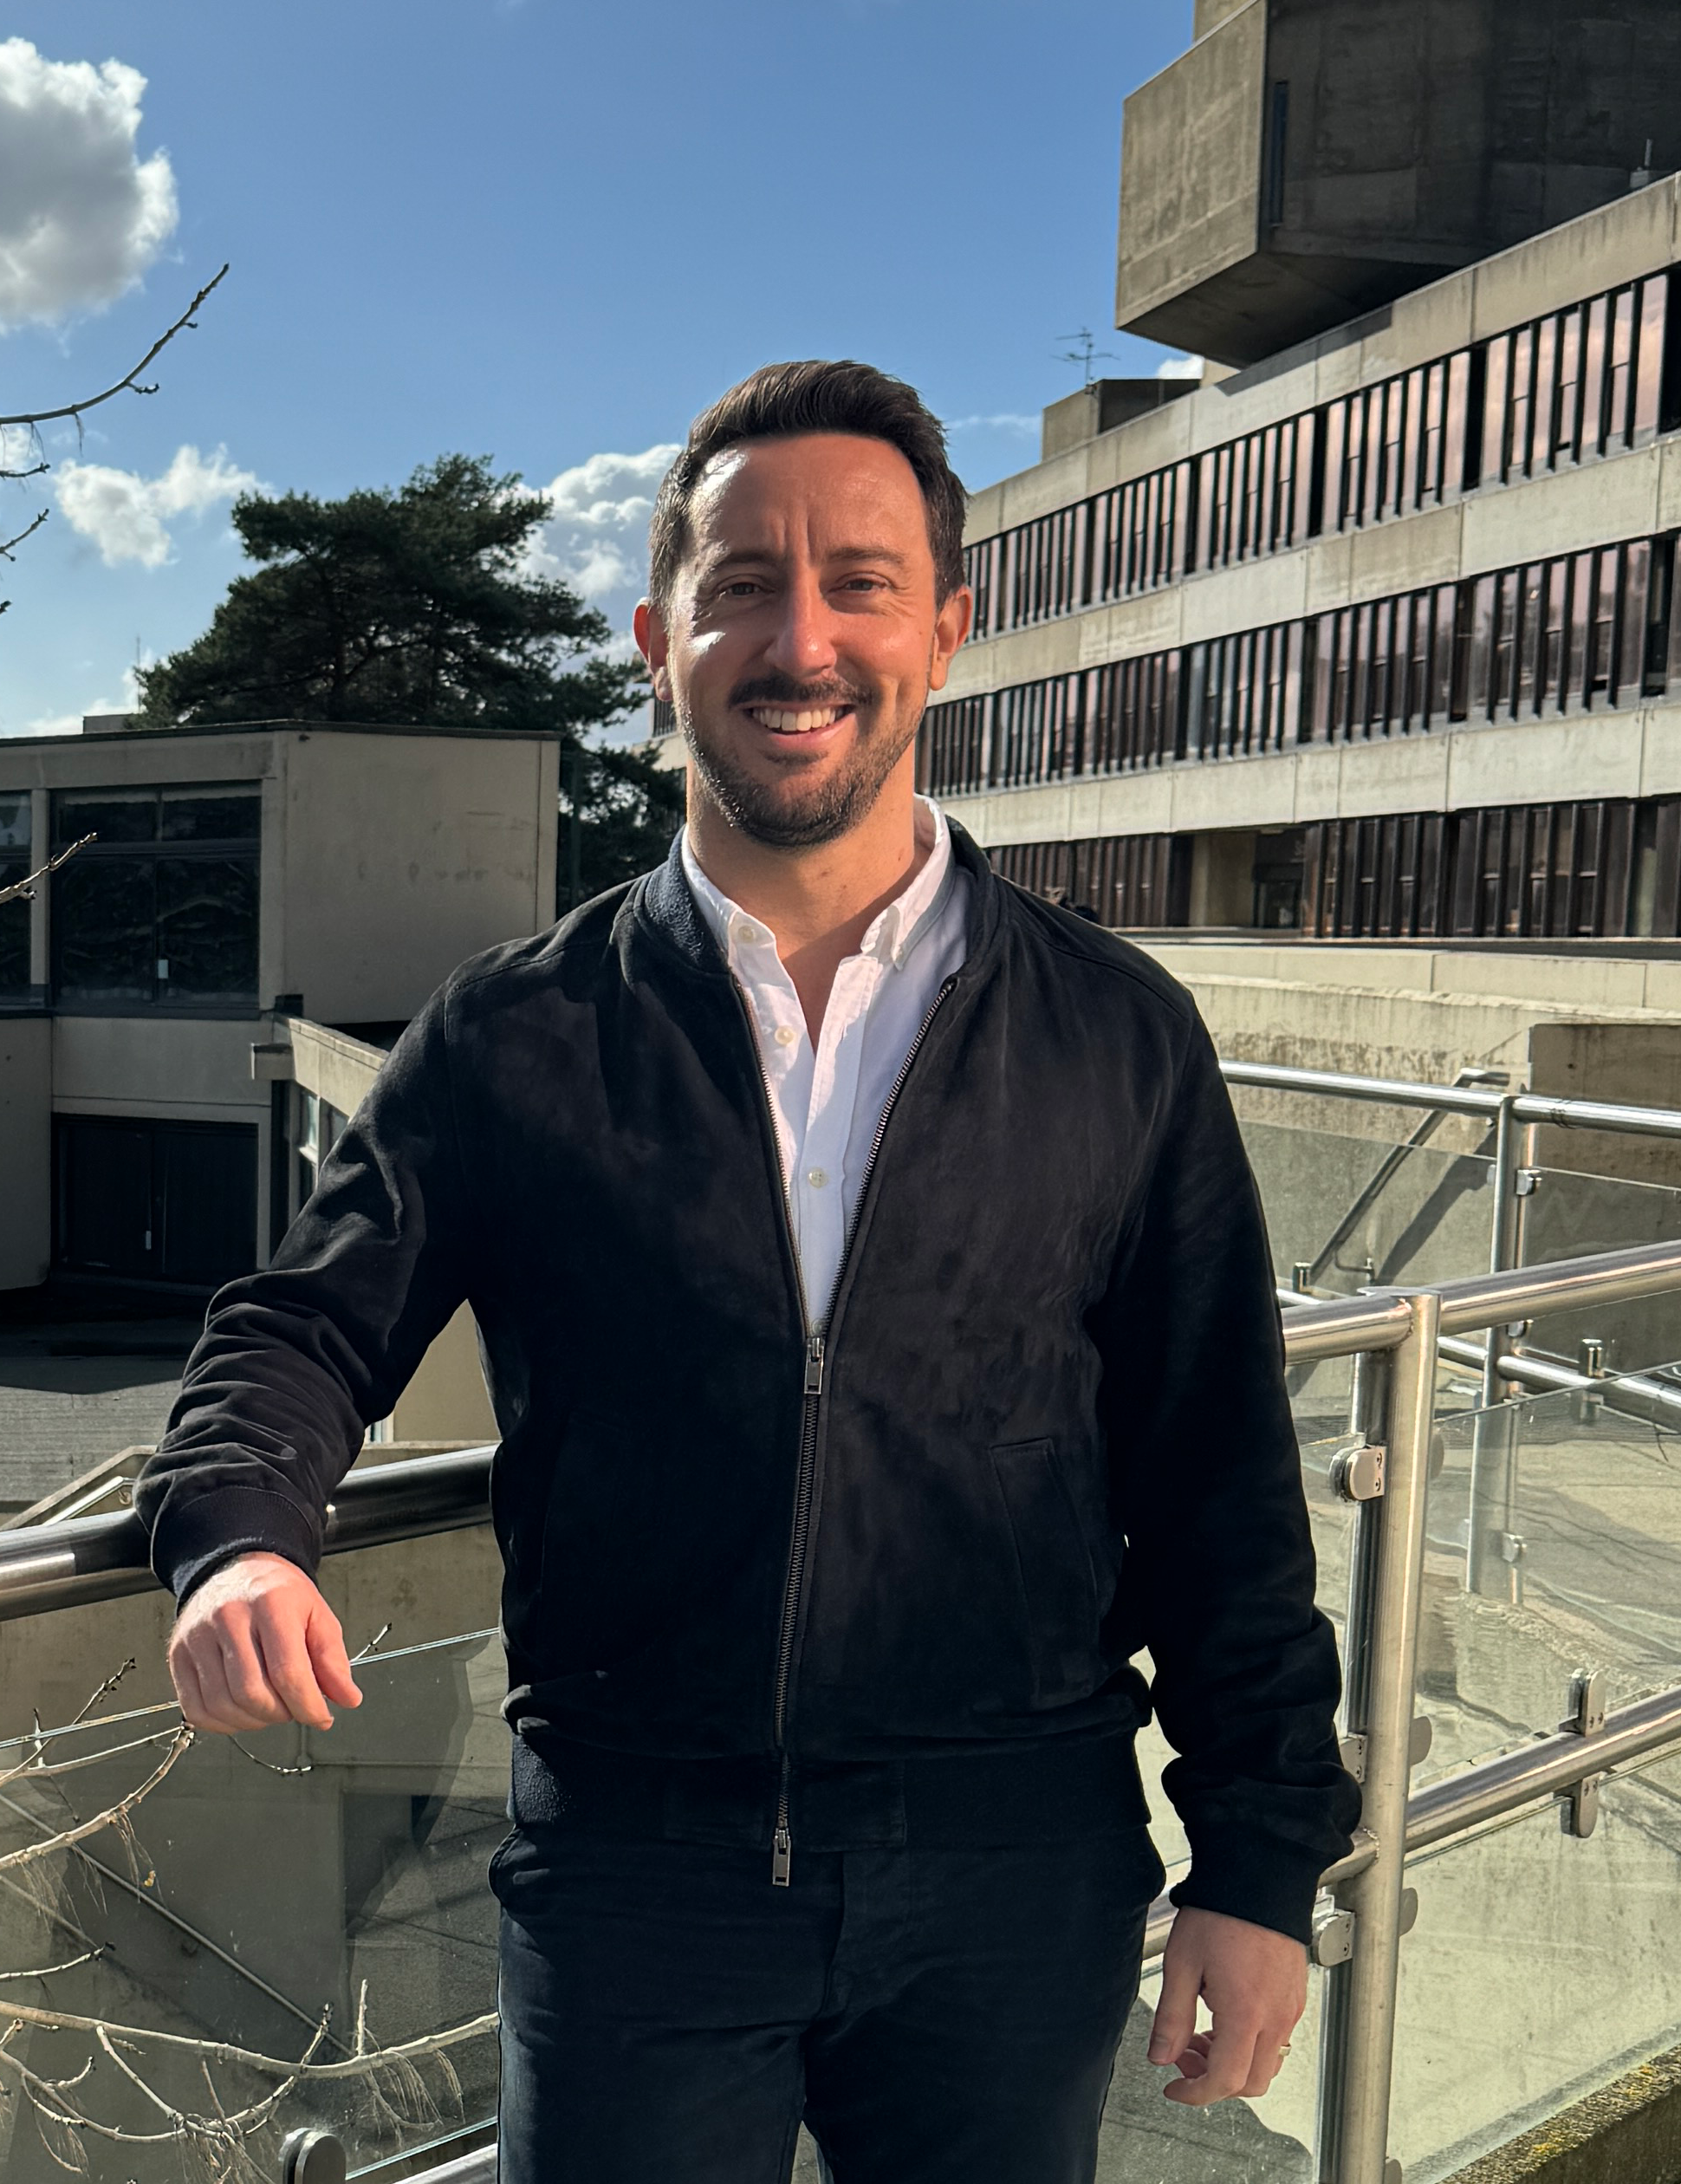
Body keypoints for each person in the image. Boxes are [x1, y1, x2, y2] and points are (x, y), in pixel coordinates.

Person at [135, 361, 1355, 2181]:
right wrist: (237, 1531)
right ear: (657, 637)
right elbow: (304, 1321)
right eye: (743, 587)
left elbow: (1219, 1477)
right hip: (637, 1876)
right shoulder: (512, 1032)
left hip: (1017, 1881)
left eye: (858, 582)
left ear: (946, 626)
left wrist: (1259, 1865)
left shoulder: (1116, 1036)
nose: (802, 641)